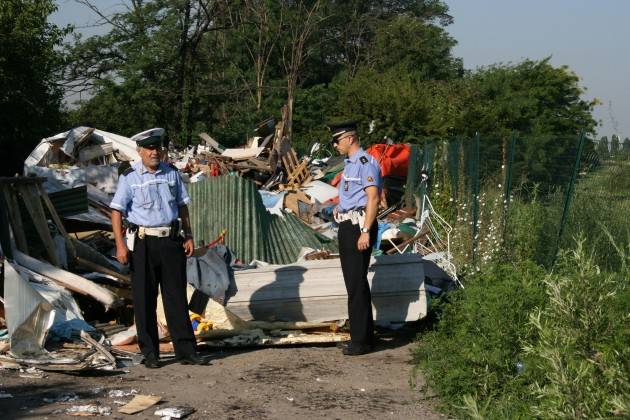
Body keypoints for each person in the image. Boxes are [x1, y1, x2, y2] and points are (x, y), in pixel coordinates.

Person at [110, 128, 208, 368]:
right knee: (144, 299)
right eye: (149, 148)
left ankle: (186, 351)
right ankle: (150, 353)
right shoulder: (130, 176)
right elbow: (116, 211)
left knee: (175, 297)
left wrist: (189, 235)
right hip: (143, 244)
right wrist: (120, 245)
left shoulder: (171, 173)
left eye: (157, 148)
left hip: (171, 241)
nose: (154, 152)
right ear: (140, 151)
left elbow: (182, 206)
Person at [328, 121, 382, 356]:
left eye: (337, 141)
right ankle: (364, 337)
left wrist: (366, 231)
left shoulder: (365, 163)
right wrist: (339, 207)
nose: (335, 145)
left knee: (356, 284)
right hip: (347, 224)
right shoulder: (349, 165)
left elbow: (373, 199)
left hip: (359, 227)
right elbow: (352, 195)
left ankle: (360, 342)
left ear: (349, 138)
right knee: (355, 283)